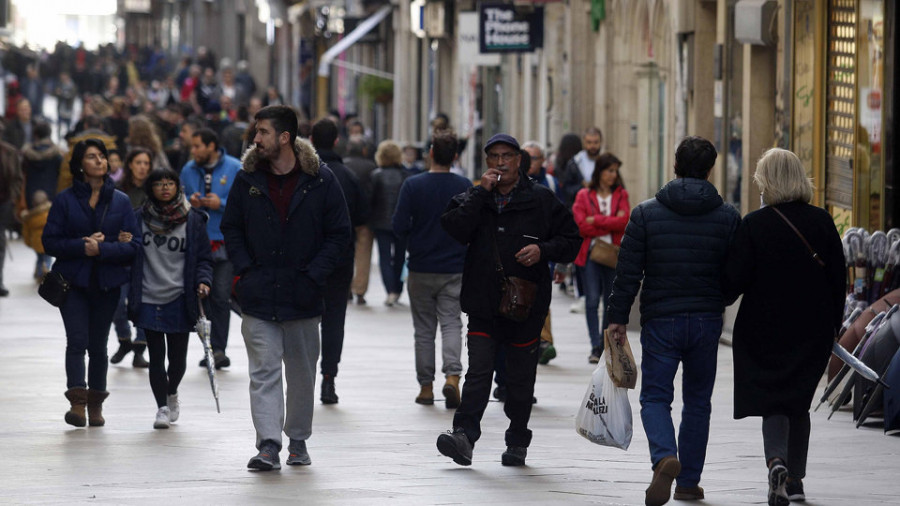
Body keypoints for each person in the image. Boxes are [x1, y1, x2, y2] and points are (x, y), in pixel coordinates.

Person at [605, 136, 741, 506]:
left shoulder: (646, 213)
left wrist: (617, 318)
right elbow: (737, 271)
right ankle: (688, 482)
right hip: (706, 320)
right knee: (698, 401)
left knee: (655, 396)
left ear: (675, 165)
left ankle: (665, 455)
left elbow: (627, 272)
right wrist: (719, 299)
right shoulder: (727, 216)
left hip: (661, 319)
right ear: (711, 169)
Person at [435, 133, 580, 467]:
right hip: (484, 302)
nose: (500, 163)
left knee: (518, 380)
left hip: (525, 306)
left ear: (519, 161)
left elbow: (572, 239)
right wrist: (478, 193)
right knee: (479, 372)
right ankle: (464, 435)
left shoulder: (541, 200)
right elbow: (454, 227)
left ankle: (517, 438)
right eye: (494, 157)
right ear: (487, 162)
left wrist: (543, 250)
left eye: (507, 156)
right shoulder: (476, 197)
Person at [221, 105, 351, 470]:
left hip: (303, 295)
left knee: (301, 375)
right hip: (258, 293)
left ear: (285, 137)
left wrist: (314, 275)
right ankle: (267, 444)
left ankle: (297, 439)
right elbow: (232, 227)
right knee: (263, 371)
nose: (255, 138)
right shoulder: (248, 180)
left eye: (262, 132)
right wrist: (244, 270)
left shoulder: (321, 180)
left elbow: (339, 233)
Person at [722, 148, 845, 506]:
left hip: (762, 329)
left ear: (766, 180)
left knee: (773, 398)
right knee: (797, 401)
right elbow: (839, 279)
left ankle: (776, 461)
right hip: (812, 329)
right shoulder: (822, 222)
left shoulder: (754, 224)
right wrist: (834, 325)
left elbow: (733, 282)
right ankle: (795, 480)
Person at [42, 138, 140, 428]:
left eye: (102, 156)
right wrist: (81, 246)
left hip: (107, 283)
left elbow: (134, 246)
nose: (99, 161)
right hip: (72, 283)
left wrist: (104, 248)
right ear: (79, 165)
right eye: (91, 157)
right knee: (76, 341)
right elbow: (49, 241)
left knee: (98, 345)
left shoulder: (121, 201)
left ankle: (96, 404)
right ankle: (78, 403)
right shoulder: (65, 199)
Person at [129, 167, 213, 429]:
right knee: (156, 355)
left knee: (177, 360)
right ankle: (162, 408)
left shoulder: (193, 220)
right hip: (148, 295)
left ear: (178, 187)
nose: (165, 188)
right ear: (150, 189)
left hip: (180, 296)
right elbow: (127, 253)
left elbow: (203, 258)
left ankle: (172, 390)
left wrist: (203, 281)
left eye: (170, 183)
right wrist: (123, 242)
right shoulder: (137, 219)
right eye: (159, 184)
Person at [393, 129, 472, 408]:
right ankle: (452, 377)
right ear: (455, 156)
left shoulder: (413, 186)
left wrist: (399, 260)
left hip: (421, 266)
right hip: (454, 267)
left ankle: (426, 387)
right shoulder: (464, 185)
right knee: (452, 323)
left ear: (429, 153)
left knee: (424, 330)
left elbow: (399, 226)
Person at [310, 118, 366, 404]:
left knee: (306, 319)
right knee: (334, 320)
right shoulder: (348, 176)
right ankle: (329, 378)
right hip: (341, 259)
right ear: (336, 142)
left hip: (308, 260)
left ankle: (304, 376)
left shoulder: (305, 174)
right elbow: (360, 217)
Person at [180, 127, 242, 369]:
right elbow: (179, 199)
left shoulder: (234, 168)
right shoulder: (188, 169)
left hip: (224, 242)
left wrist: (221, 203)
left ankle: (219, 349)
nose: (193, 151)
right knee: (200, 297)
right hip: (197, 242)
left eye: (197, 146)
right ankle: (207, 347)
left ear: (212, 146)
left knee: (221, 296)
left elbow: (243, 204)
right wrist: (190, 203)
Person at [572, 153, 630, 363]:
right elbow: (580, 225)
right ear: (600, 171)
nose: (613, 175)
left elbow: (624, 222)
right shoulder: (583, 195)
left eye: (615, 171)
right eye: (609, 170)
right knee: (592, 299)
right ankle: (595, 345)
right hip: (591, 253)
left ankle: (604, 342)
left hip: (612, 254)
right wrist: (609, 222)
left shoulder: (621, 194)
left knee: (609, 301)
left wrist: (595, 219)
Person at [110, 148, 155, 368]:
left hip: (148, 255)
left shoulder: (155, 192)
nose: (142, 167)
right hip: (121, 255)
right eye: (138, 162)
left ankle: (140, 347)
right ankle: (124, 339)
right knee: (117, 302)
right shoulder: (118, 191)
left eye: (146, 163)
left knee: (143, 302)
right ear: (130, 165)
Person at [522, 141, 562, 365]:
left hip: (543, 253)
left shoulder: (551, 184)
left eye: (534, 158)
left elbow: (562, 222)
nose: (529, 163)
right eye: (525, 157)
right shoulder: (511, 184)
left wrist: (561, 260)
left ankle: (544, 340)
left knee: (541, 297)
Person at [20, 121, 63, 279]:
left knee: (36, 230)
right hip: (51, 196)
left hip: (33, 196)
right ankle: (46, 263)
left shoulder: (27, 155)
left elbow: (22, 173)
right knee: (50, 232)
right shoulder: (57, 155)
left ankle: (40, 263)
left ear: (35, 134)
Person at [370, 140, 409, 306]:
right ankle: (398, 290)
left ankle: (390, 290)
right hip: (401, 222)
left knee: (384, 258)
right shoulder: (406, 176)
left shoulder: (376, 175)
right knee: (399, 257)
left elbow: (371, 200)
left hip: (381, 222)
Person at [344, 135, 377, 305]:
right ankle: (360, 291)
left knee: (346, 253)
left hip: (346, 217)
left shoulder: (344, 165)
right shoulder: (371, 167)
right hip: (366, 219)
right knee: (363, 255)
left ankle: (347, 287)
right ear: (364, 150)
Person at [0, 134, 23, 296]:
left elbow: (17, 179)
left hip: (3, 202)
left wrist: (12, 197)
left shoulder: (9, 152)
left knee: (0, 241)